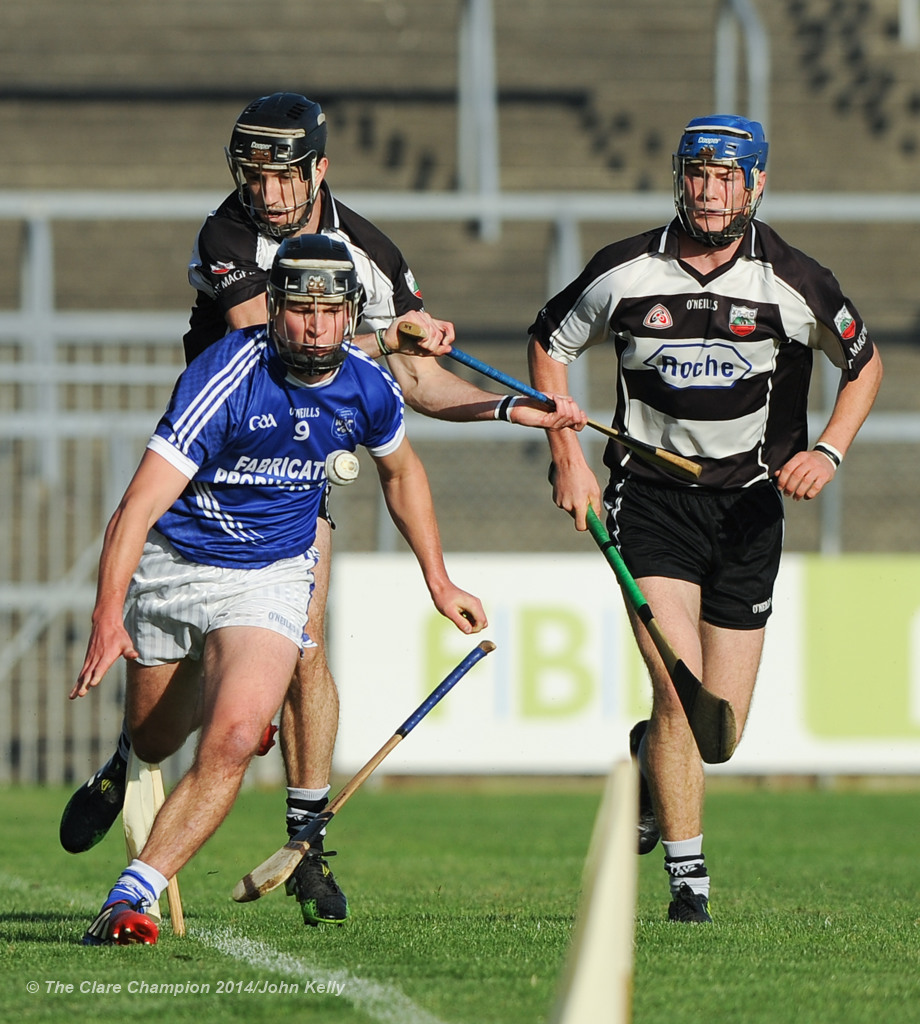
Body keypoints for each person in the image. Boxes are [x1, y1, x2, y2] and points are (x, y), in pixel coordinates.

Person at [60, 92, 585, 928]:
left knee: (301, 650)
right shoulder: (227, 238)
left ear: (320, 170)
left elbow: (401, 389)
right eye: (253, 175)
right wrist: (391, 335)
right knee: (168, 724)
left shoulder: (369, 250)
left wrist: (510, 410)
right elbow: (277, 338)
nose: (265, 193)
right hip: (208, 470)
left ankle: (304, 843)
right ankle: (136, 755)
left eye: (283, 176)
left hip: (295, 483)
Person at [75, 234, 488, 946]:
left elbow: (402, 472)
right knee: (153, 738)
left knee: (234, 738)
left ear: (351, 314)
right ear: (275, 309)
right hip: (178, 564)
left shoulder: (367, 383)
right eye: (301, 310)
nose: (316, 326)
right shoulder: (225, 376)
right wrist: (109, 613)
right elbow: (136, 508)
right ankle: (139, 742)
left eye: (331, 313)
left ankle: (128, 899)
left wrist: (438, 577)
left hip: (270, 575)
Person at [527, 114, 883, 923]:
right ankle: (689, 886)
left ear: (757, 185)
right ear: (679, 179)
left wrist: (828, 449)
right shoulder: (624, 270)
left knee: (722, 729)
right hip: (649, 502)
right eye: (699, 174)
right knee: (678, 688)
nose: (711, 191)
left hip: (751, 512)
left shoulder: (795, 281)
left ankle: (648, 767)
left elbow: (864, 366)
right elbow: (551, 343)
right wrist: (566, 454)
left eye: (729, 177)